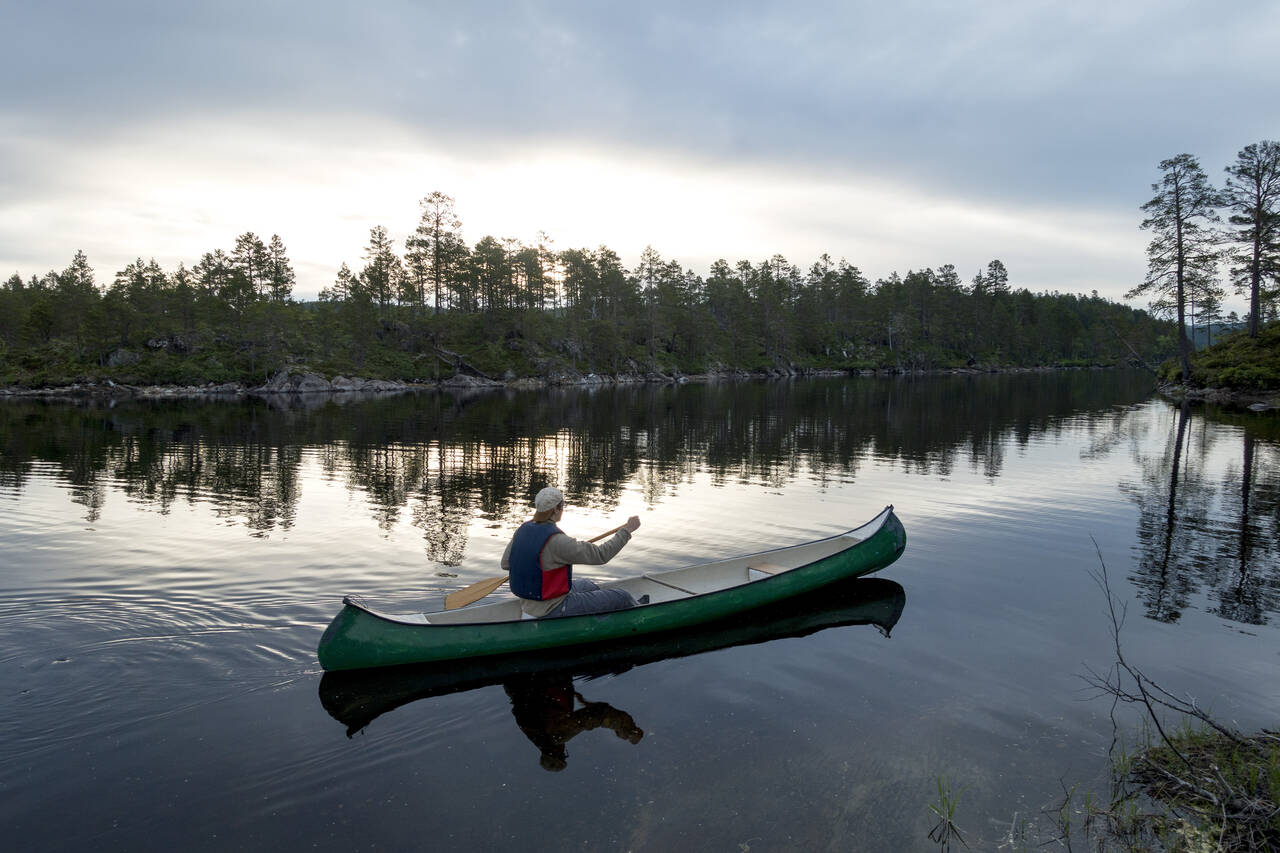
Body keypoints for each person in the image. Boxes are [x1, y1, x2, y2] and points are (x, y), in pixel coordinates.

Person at [501, 486, 645, 618]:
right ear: (556, 510)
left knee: (587, 585)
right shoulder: (558, 541)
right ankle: (641, 613)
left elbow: (505, 564)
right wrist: (626, 531)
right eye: (562, 505)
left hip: (529, 603)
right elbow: (601, 555)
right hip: (553, 607)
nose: (563, 509)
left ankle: (602, 613)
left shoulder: (522, 530)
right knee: (622, 596)